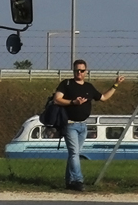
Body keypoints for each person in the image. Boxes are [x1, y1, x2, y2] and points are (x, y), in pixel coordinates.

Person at [52, 59, 125, 192]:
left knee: (74, 153)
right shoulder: (66, 84)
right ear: (73, 71)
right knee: (74, 153)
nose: (79, 73)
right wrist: (73, 102)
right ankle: (78, 180)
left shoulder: (89, 87)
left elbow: (103, 98)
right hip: (70, 124)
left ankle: (70, 181)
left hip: (83, 126)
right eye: (76, 70)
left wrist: (115, 85)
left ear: (86, 71)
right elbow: (57, 99)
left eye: (81, 70)